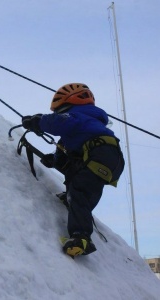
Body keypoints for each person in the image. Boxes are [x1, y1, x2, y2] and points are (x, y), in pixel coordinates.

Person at [21, 83, 125, 258]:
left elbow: (59, 122)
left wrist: (38, 121)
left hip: (99, 154)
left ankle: (81, 237)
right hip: (107, 159)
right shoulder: (83, 129)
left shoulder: (79, 116)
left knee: (80, 191)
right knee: (80, 184)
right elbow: (63, 153)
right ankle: (72, 201)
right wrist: (53, 160)